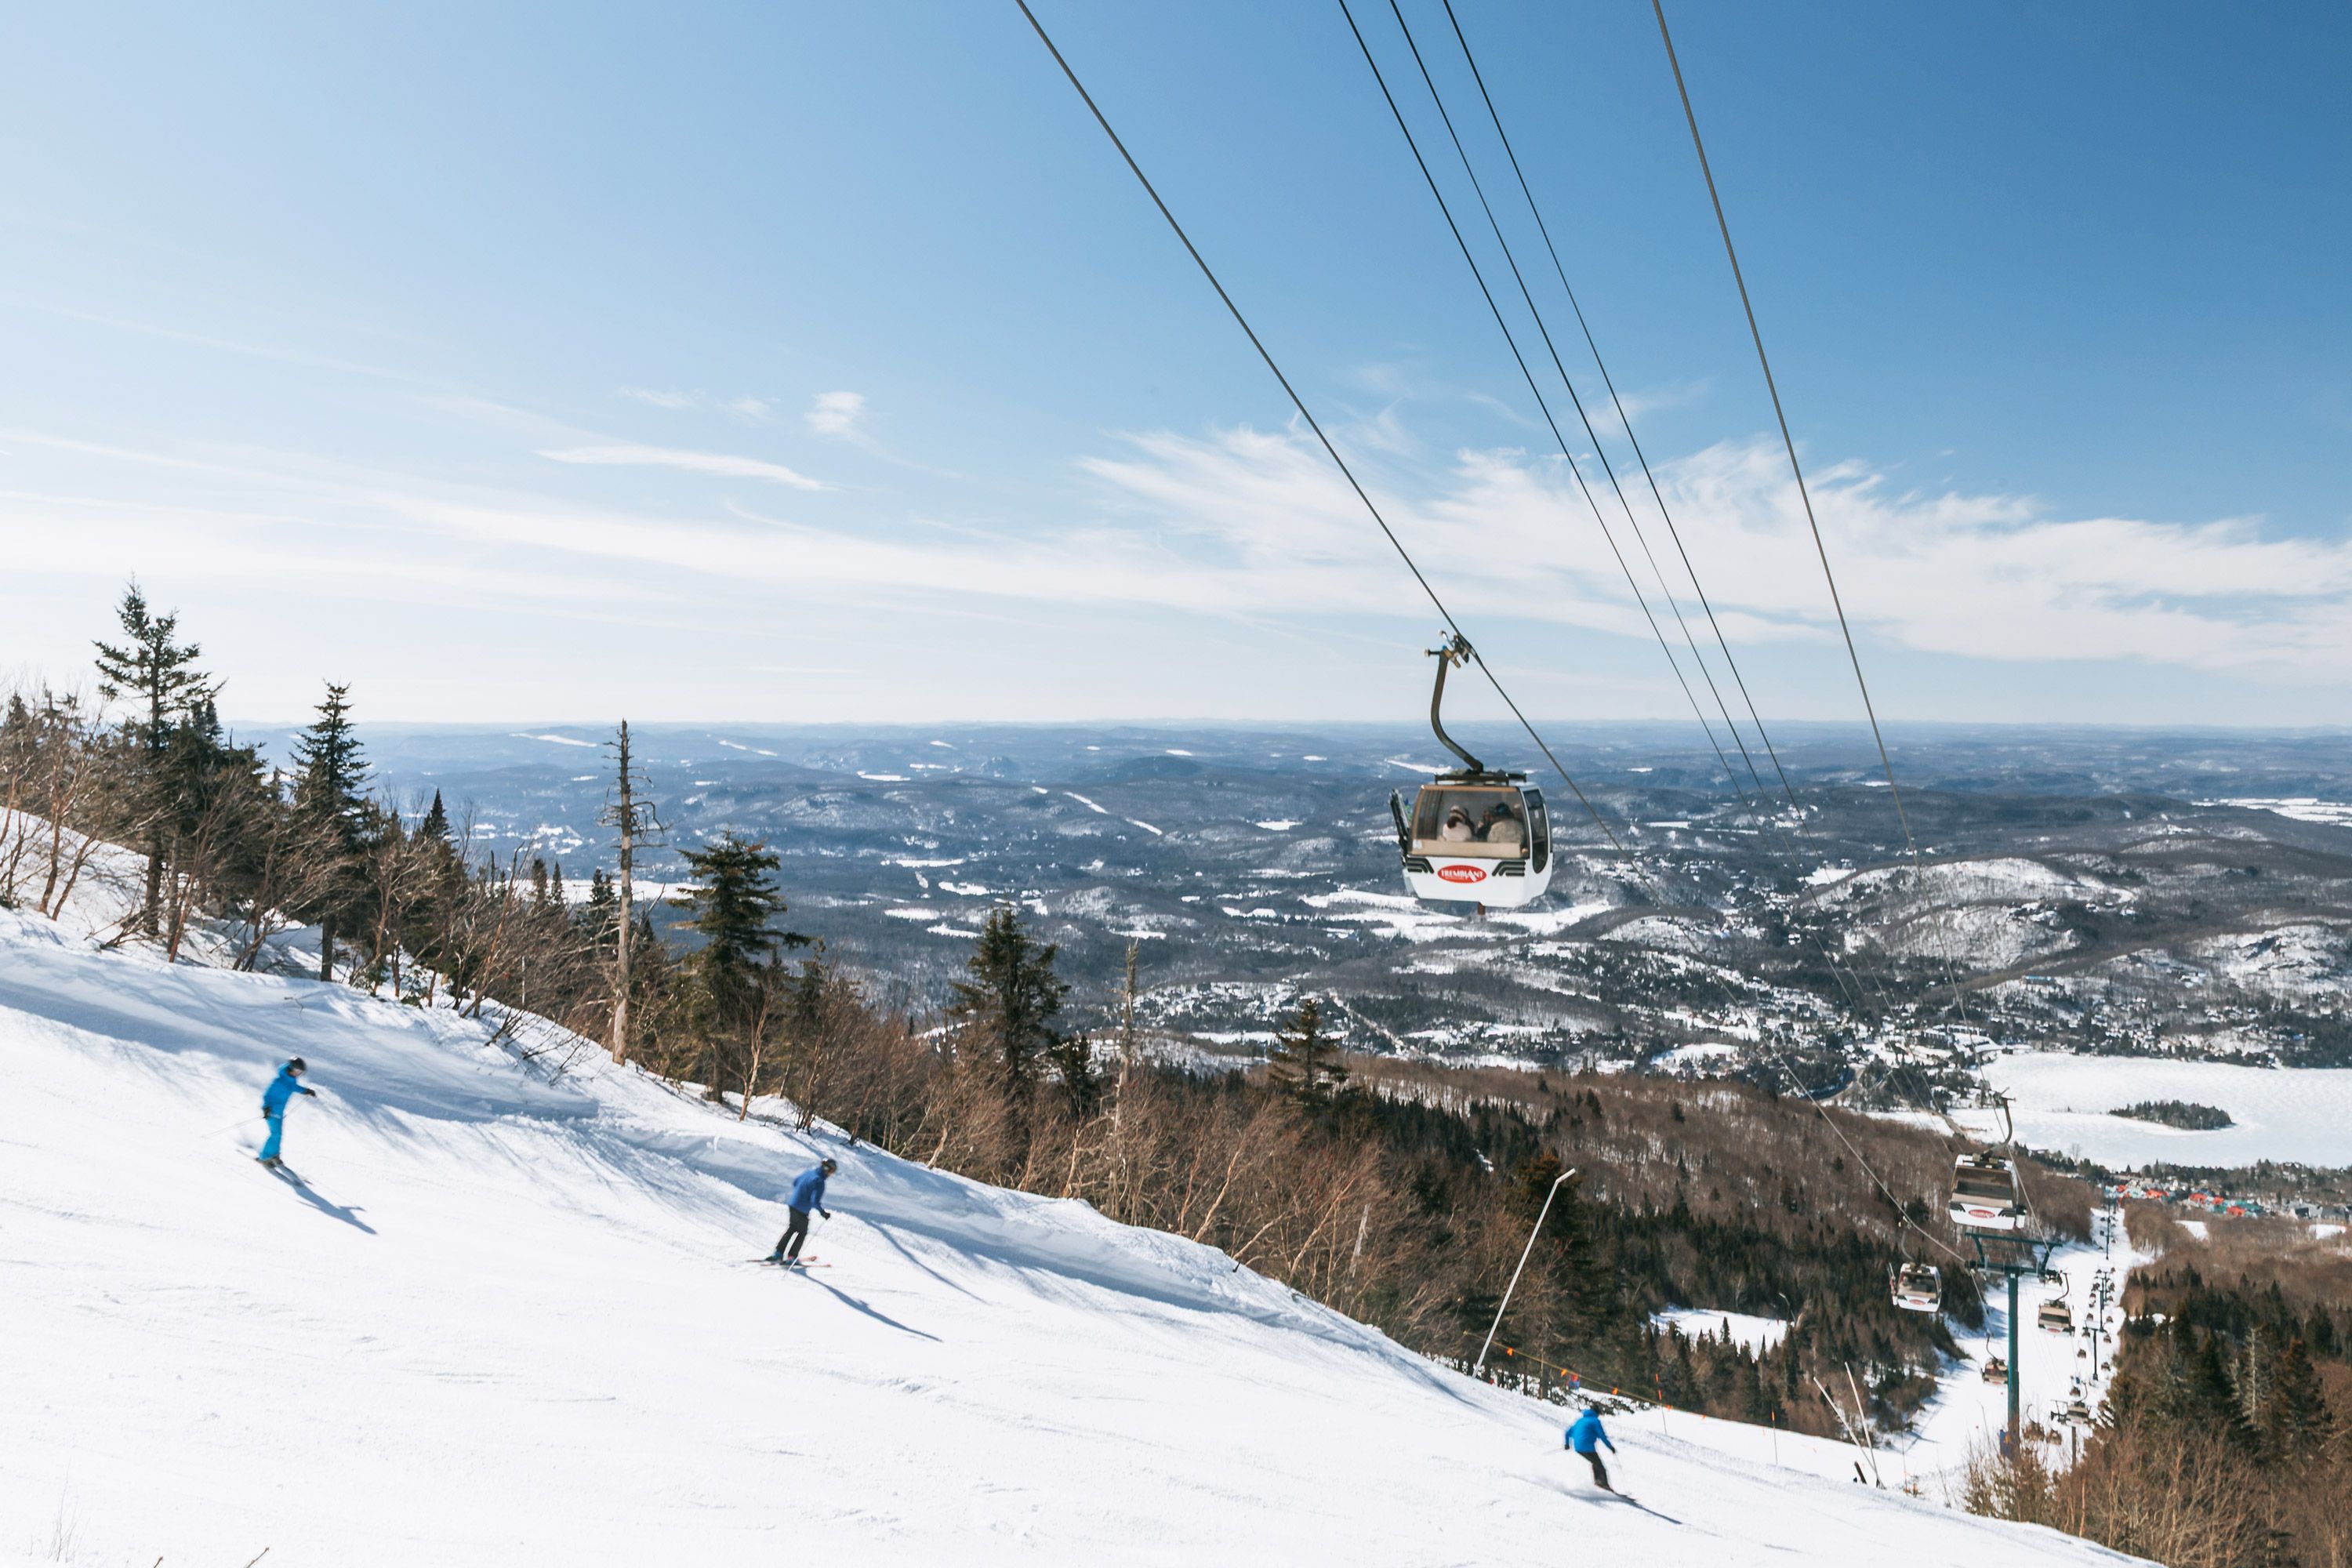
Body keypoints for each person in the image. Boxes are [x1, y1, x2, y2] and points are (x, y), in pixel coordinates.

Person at [768, 1157, 837, 1265]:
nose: (831, 1174)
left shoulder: (809, 1172)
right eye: (832, 1172)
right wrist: (823, 1213)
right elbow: (815, 1201)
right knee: (802, 1232)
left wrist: (801, 1192)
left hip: (793, 1204)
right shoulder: (820, 1181)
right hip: (802, 1208)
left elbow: (795, 1182)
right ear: (828, 1170)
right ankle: (792, 1257)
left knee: (792, 1229)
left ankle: (778, 1253)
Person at [258, 1058, 316, 1168]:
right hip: (272, 1111)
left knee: (278, 1135)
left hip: (279, 1112)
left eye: (300, 1073)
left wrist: (307, 1091)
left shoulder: (291, 1080)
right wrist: (266, 1108)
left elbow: (295, 1088)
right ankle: (264, 1157)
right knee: (275, 1134)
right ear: (291, 1068)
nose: (298, 1074)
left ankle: (274, 1155)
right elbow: (267, 1096)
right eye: (297, 1071)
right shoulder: (279, 1081)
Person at [1566, 1405, 1616, 1491]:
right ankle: (1603, 1484)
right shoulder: (1595, 1421)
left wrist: (1567, 1444)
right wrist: (1610, 1447)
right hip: (1587, 1447)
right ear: (1597, 1413)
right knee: (1600, 1467)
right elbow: (1602, 1436)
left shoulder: (1580, 1421)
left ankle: (1599, 1482)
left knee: (1595, 1462)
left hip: (1578, 1447)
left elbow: (1568, 1432)